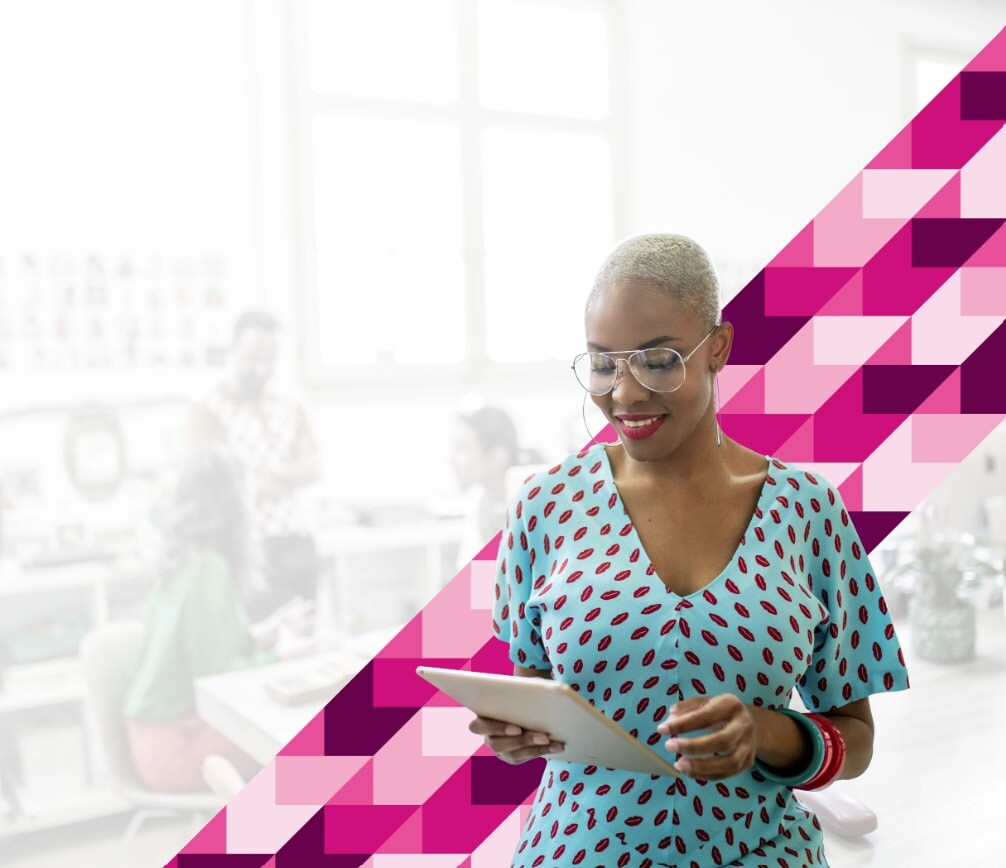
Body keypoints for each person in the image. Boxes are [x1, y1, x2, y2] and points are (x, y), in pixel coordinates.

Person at [470, 234, 909, 867]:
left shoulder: (808, 510)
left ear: (719, 349)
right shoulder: (544, 506)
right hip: (575, 852)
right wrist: (517, 736)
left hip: (759, 853)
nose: (624, 394)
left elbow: (856, 737)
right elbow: (534, 687)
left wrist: (766, 733)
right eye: (603, 364)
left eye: (658, 360)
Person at [122, 449, 278, 792]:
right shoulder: (208, 570)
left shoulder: (185, 562)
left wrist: (258, 640)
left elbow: (207, 648)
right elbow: (218, 683)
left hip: (157, 737)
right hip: (177, 745)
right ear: (231, 505)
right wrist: (281, 659)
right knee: (321, 743)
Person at [187, 310, 322, 620]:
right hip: (248, 547)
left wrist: (264, 475)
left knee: (304, 635)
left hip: (298, 538)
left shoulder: (290, 401)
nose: (261, 369)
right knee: (262, 642)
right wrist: (285, 476)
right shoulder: (206, 405)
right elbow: (212, 483)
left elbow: (314, 467)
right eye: (253, 358)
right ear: (232, 351)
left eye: (270, 359)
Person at [451, 402, 543, 565]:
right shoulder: (480, 500)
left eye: (462, 448)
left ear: (497, 455)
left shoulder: (536, 499)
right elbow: (474, 575)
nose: (454, 460)